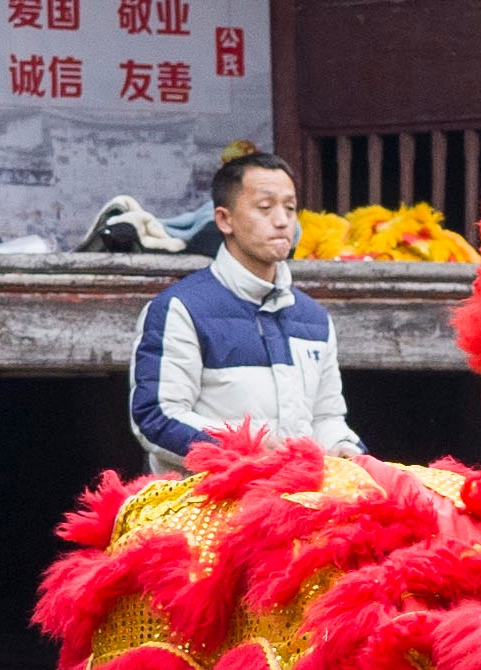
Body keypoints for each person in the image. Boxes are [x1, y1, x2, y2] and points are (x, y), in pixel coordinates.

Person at [128, 146, 354, 473]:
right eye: (265, 207)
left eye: (290, 208)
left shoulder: (314, 319)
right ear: (224, 219)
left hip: (295, 503)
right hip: (208, 506)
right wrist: (243, 446)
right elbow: (157, 417)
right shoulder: (180, 308)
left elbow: (326, 417)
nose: (281, 221)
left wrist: (345, 450)